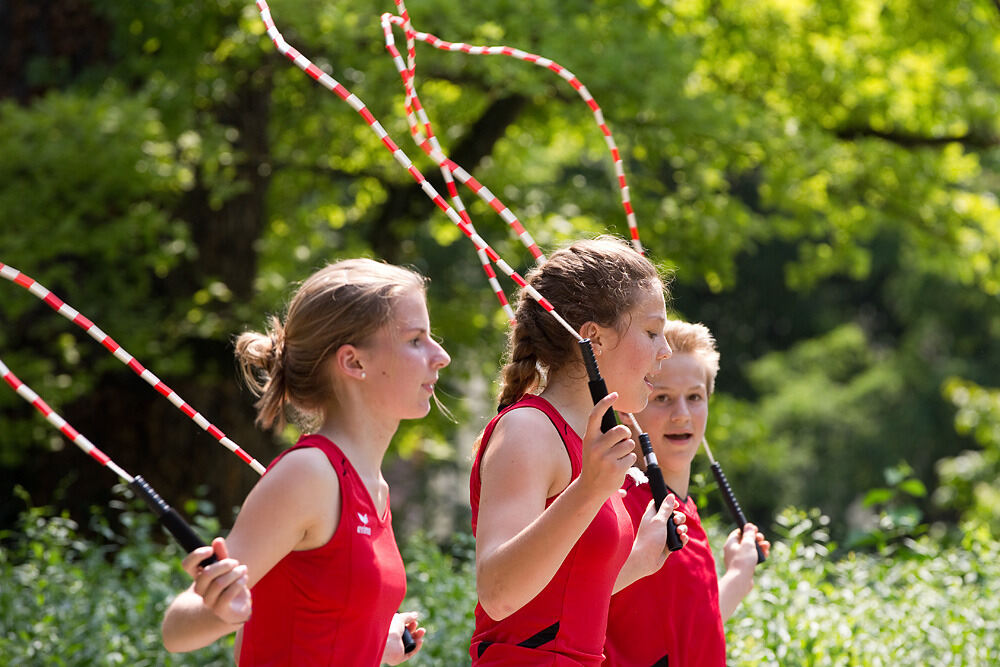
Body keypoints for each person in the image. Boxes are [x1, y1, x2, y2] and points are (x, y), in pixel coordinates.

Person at [161, 258, 451, 666]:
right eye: (416, 340)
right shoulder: (310, 474)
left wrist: (368, 639)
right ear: (354, 362)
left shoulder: (373, 485)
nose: (441, 356)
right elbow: (177, 629)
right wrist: (219, 611)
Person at [469, 236, 689, 666]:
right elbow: (498, 594)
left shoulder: (587, 444)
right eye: (651, 332)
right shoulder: (528, 429)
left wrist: (636, 562)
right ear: (592, 338)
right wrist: (589, 490)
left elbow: (553, 607)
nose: (665, 352)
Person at [603, 320, 771, 667]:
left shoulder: (683, 511)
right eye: (662, 398)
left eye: (694, 397)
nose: (682, 415)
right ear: (627, 408)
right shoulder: (615, 507)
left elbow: (692, 639)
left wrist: (738, 575)